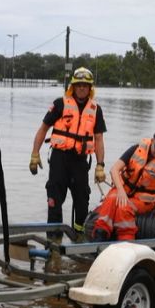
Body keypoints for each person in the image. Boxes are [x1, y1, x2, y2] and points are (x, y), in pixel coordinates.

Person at [29, 67, 107, 237]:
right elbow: (43, 129)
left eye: (85, 85)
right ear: (73, 86)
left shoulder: (96, 110)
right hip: (59, 159)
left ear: (90, 88)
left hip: (80, 161)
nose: (81, 88)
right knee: (54, 201)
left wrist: (100, 165)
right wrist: (35, 154)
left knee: (82, 201)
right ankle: (54, 243)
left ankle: (79, 238)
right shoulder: (60, 104)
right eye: (78, 85)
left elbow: (99, 139)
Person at [91, 128, 155, 241]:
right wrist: (121, 191)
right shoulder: (136, 149)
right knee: (111, 200)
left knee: (124, 208)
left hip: (145, 199)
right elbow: (114, 169)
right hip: (125, 189)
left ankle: (126, 240)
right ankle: (100, 234)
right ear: (152, 141)